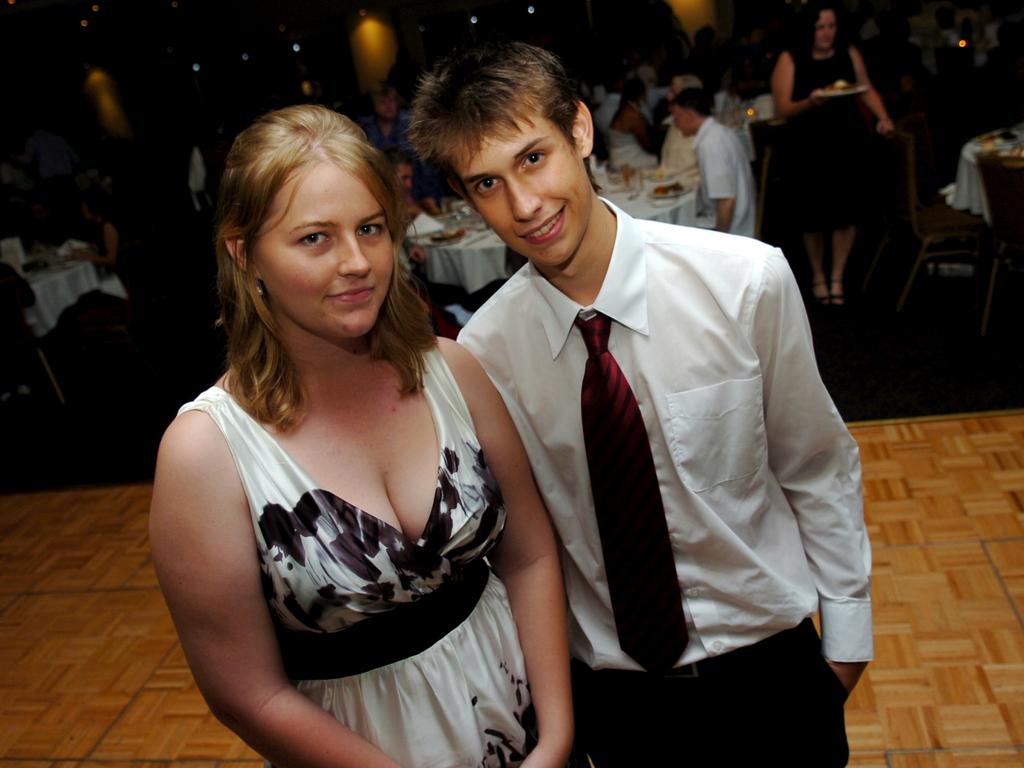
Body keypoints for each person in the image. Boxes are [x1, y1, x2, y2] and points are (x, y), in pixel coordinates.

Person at [410, 40, 871, 766]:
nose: (524, 206)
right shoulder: (488, 355)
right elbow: (527, 550)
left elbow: (815, 465)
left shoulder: (744, 283)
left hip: (769, 676)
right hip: (620, 705)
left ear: (582, 131)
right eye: (487, 184)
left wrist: (844, 649)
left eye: (534, 157)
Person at [149, 104, 573, 768]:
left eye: (370, 229)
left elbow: (530, 557)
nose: (356, 262)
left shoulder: (452, 369)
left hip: (523, 723)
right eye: (315, 238)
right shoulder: (206, 452)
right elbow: (244, 693)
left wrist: (556, 736)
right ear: (243, 253)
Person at [771, 0, 894, 305]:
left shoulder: (847, 52)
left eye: (831, 27)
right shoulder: (791, 58)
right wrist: (811, 101)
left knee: (846, 212)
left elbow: (864, 88)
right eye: (820, 28)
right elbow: (783, 108)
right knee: (812, 215)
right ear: (809, 29)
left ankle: (837, 274)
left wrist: (883, 117)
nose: (827, 33)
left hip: (846, 142)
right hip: (807, 146)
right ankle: (817, 274)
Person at [669, 87, 757, 237]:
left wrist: (718, 241)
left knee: (673, 229)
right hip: (743, 219)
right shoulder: (720, 132)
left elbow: (726, 201)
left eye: (676, 117)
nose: (675, 124)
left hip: (735, 231)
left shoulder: (710, 144)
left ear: (690, 115)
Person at [357, 84, 445, 216]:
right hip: (384, 191)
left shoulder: (411, 122)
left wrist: (428, 195)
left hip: (416, 186)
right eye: (383, 102)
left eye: (392, 101)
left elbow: (426, 162)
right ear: (374, 106)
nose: (388, 106)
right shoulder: (365, 127)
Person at [656, 74, 702, 182]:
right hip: (669, 179)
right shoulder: (672, 123)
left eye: (673, 92)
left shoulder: (696, 128)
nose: (668, 96)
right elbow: (666, 165)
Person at [607, 78, 659, 171]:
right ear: (641, 94)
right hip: (627, 160)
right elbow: (645, 142)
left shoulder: (623, 109)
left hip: (617, 157)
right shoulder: (632, 114)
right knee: (658, 159)